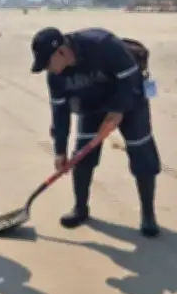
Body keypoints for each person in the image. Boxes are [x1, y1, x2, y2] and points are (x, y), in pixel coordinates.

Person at [30, 26, 161, 237]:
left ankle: (148, 215)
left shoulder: (102, 44)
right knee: (82, 157)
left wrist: (118, 111)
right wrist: (60, 151)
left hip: (130, 98)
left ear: (61, 52)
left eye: (47, 63)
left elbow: (131, 79)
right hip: (90, 105)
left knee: (142, 154)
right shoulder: (55, 77)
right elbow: (60, 113)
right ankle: (80, 208)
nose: (48, 69)